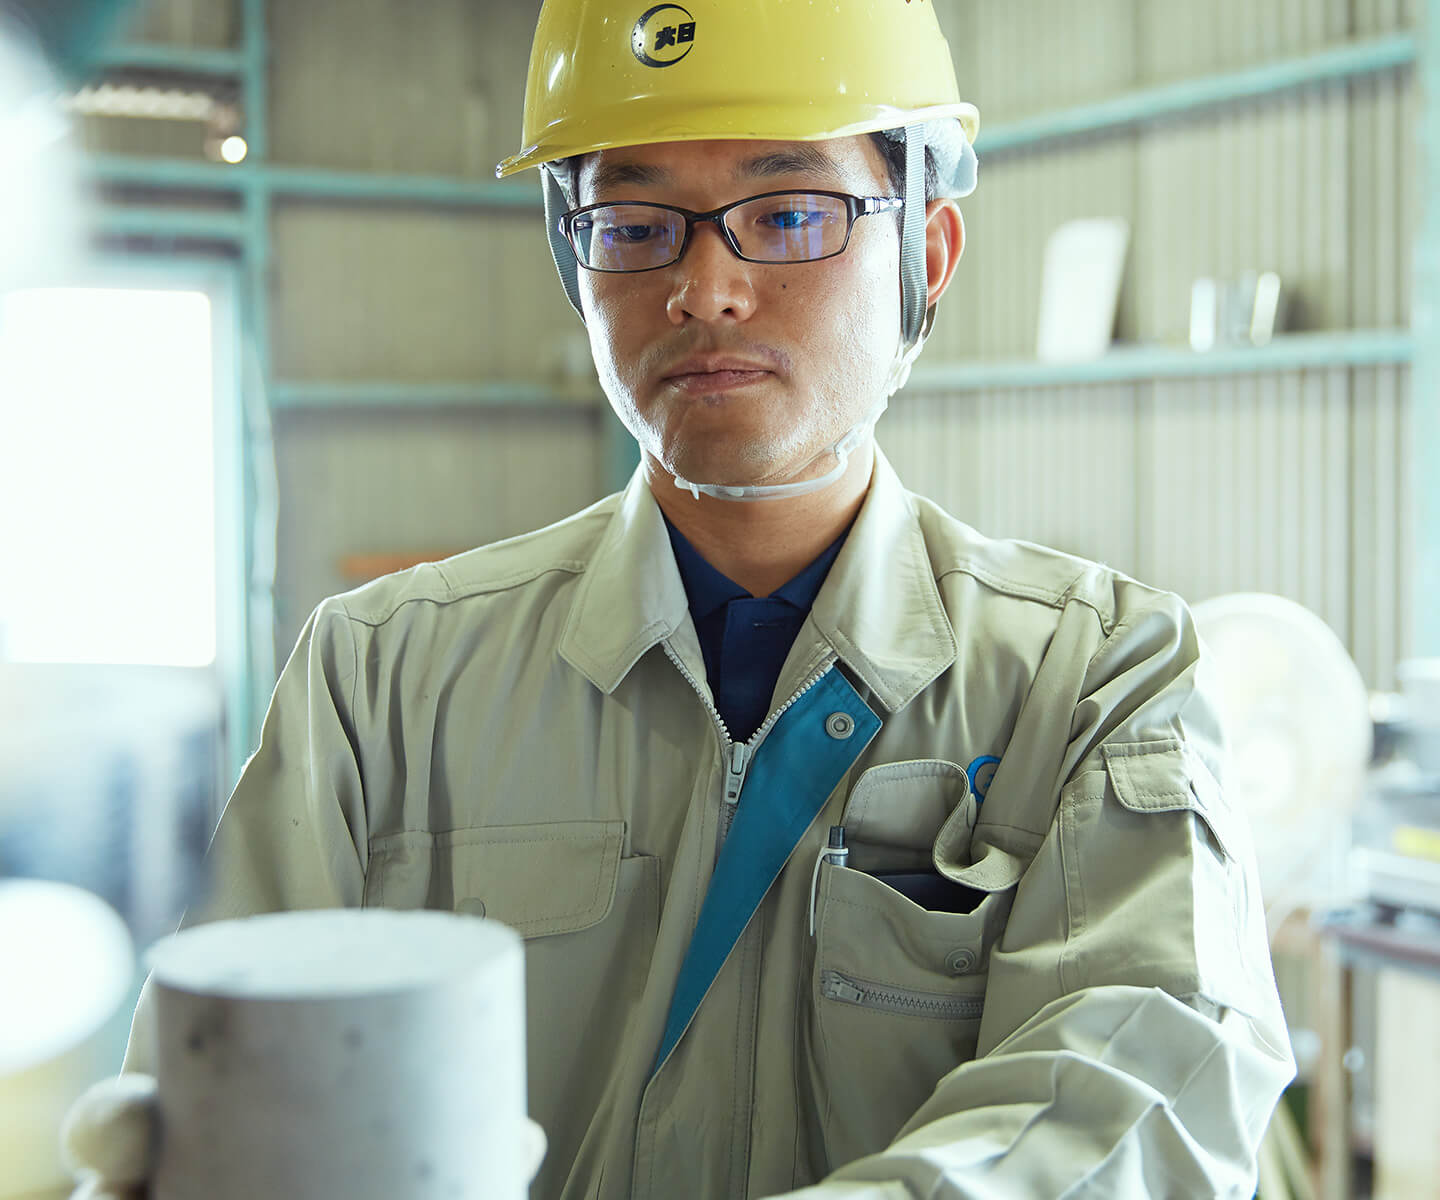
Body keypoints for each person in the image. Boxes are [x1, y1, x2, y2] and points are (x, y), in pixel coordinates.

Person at [65, 2, 1295, 1197]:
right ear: (575, 262)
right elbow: (238, 1070)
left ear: (928, 253)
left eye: (791, 211)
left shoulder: (1093, 681)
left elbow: (1138, 1100)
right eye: (637, 222)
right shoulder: (384, 681)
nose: (704, 288)